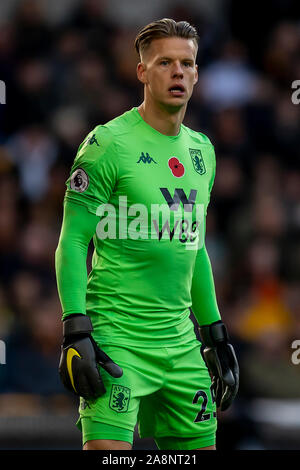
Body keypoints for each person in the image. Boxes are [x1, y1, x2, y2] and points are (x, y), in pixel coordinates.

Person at [55, 18, 239, 451]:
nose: (178, 72)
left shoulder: (203, 151)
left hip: (180, 344)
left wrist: (215, 334)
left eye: (187, 63)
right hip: (117, 340)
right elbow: (73, 241)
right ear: (142, 73)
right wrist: (76, 330)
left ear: (196, 73)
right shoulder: (107, 145)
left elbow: (195, 249)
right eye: (165, 63)